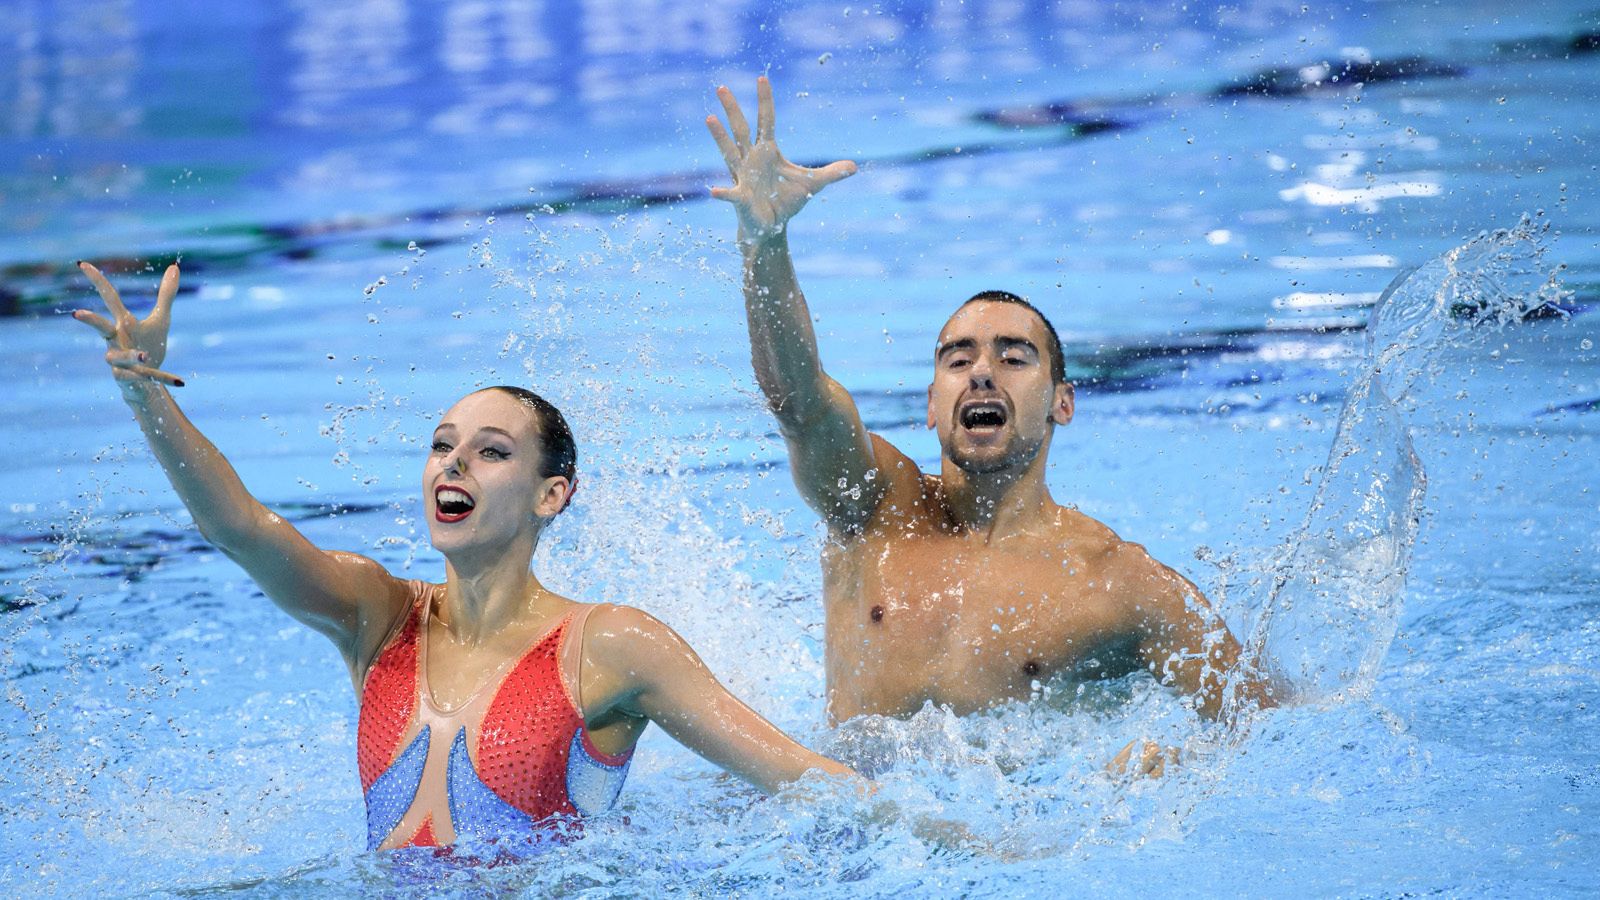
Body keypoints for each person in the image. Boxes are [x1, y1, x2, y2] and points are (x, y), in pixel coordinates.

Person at [69, 261, 859, 852]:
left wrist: (924, 828)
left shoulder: (609, 646)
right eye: (442, 445)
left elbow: (802, 778)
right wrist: (147, 394)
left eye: (491, 452)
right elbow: (241, 529)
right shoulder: (377, 615)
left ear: (551, 495)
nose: (453, 463)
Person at [704, 79, 1276, 772]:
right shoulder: (875, 508)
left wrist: (1175, 765)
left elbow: (1269, 726)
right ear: (931, 404)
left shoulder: (1116, 583)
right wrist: (764, 242)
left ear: (1062, 401)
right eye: (958, 359)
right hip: (837, 813)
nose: (981, 372)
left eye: (1013, 357)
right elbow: (797, 401)